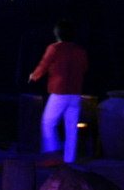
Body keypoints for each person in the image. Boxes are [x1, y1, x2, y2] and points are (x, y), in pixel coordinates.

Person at [28, 21, 88, 165]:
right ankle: (69, 160)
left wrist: (34, 76)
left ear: (57, 34)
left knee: (48, 123)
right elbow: (84, 68)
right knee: (71, 128)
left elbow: (44, 64)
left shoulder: (54, 48)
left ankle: (53, 154)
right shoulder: (80, 51)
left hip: (59, 91)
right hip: (75, 93)